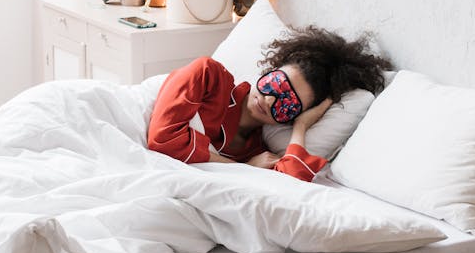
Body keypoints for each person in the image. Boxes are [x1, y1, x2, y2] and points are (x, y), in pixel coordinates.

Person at [147, 26, 391, 181]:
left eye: (288, 103)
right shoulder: (208, 76)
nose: (270, 99)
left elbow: (291, 182)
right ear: (270, 70)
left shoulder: (257, 148)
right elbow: (162, 140)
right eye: (277, 83)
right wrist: (243, 168)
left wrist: (301, 128)